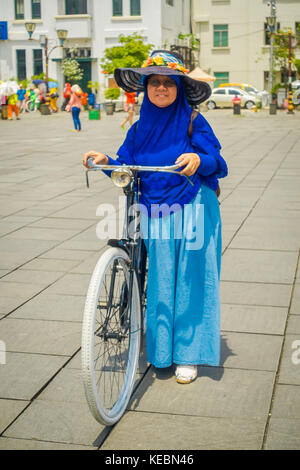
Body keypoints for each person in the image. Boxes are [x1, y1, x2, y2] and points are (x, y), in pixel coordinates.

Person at [82, 50, 228, 384]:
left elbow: (216, 161)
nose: (161, 88)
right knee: (161, 279)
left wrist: (197, 159)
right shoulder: (137, 128)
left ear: (179, 87)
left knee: (191, 280)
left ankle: (189, 355)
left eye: (169, 83)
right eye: (155, 82)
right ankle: (162, 351)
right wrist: (104, 160)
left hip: (194, 205)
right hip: (153, 209)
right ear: (146, 88)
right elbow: (126, 165)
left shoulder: (193, 120)